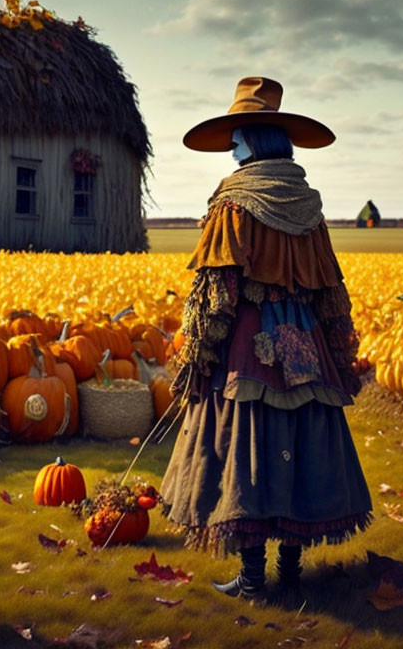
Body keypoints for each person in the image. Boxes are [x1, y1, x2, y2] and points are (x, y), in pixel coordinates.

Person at [160, 76, 372, 605]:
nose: (231, 147)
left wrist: (200, 353)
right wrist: (338, 355)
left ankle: (254, 581)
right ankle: (291, 574)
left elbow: (218, 288)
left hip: (249, 344)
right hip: (305, 341)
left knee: (247, 446)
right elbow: (330, 291)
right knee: (298, 443)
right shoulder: (308, 204)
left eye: (237, 137)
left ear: (255, 140)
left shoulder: (234, 201)